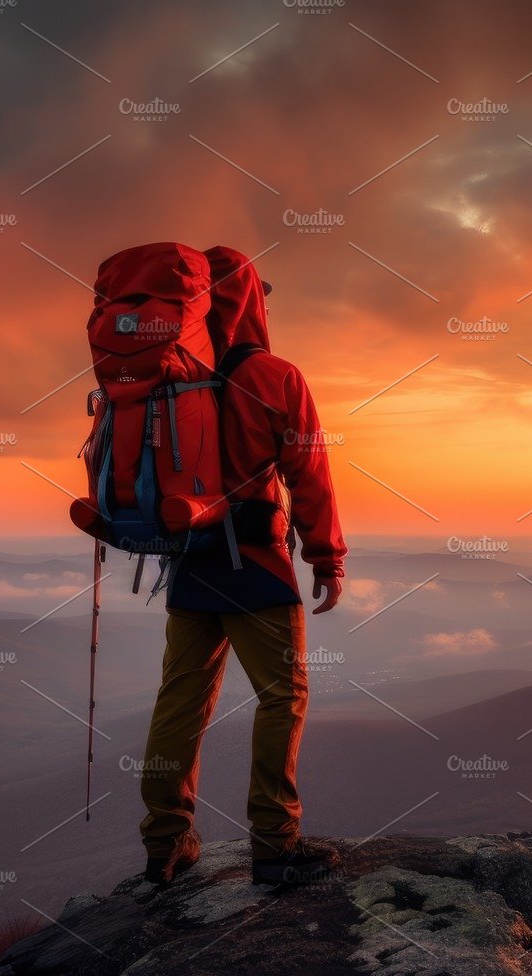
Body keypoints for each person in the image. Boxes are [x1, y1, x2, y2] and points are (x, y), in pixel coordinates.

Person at [137, 245, 346, 888]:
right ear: (253, 299)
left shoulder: (166, 379)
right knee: (282, 696)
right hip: (255, 562)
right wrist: (326, 556)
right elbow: (309, 472)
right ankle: (275, 845)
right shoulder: (276, 377)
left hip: (188, 564)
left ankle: (166, 844)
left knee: (181, 702)